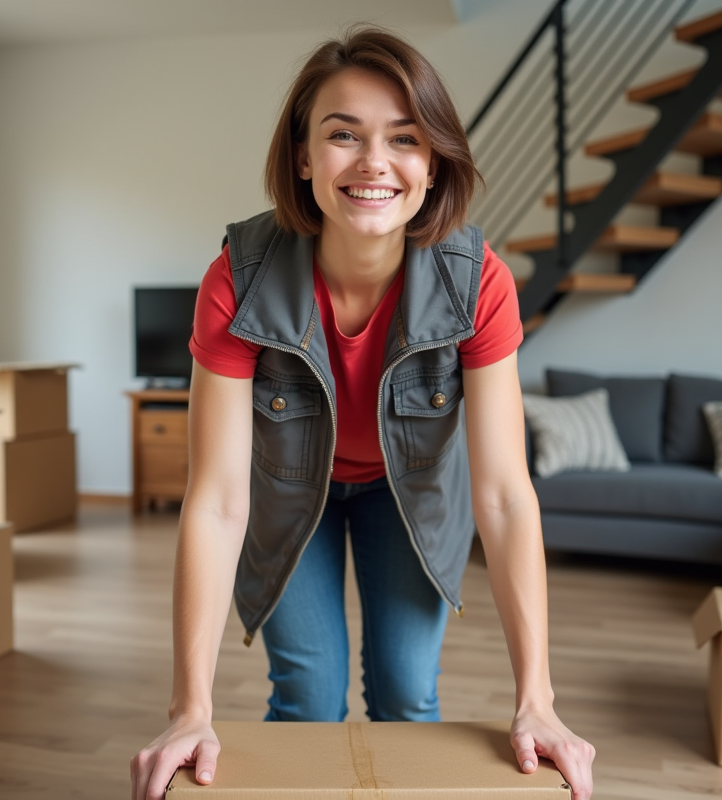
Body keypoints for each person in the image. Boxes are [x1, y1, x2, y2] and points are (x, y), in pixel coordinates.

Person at [130, 27, 595, 800]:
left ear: (432, 161)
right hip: (289, 501)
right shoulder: (235, 279)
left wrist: (537, 699)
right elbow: (214, 498)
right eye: (342, 134)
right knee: (307, 702)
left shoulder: (480, 284)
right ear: (305, 157)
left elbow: (507, 495)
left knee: (408, 701)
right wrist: (190, 710)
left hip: (408, 498)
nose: (374, 162)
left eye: (404, 139)